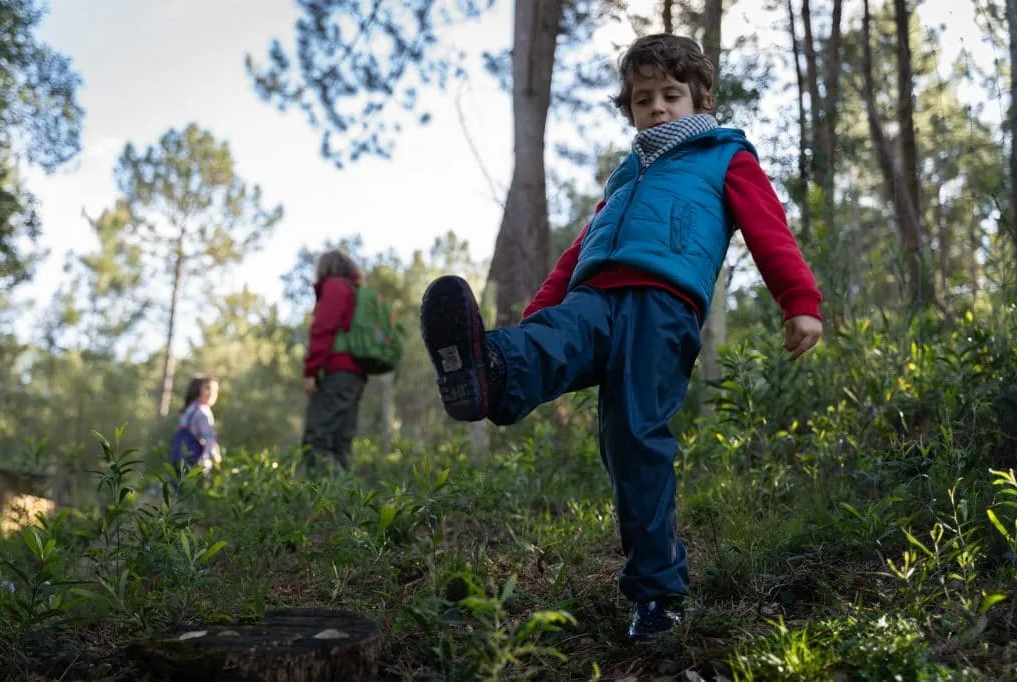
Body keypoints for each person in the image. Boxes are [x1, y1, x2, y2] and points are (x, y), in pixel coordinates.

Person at [418, 33, 824, 640]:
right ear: (629, 108)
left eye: (670, 95)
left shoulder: (725, 156)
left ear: (700, 98)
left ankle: (657, 596)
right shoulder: (624, 177)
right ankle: (488, 371)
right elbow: (577, 250)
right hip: (595, 297)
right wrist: (538, 312)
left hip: (661, 308)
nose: (656, 108)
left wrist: (799, 300)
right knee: (550, 339)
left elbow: (769, 228)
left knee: (633, 442)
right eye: (642, 99)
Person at [301, 249, 368, 472]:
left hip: (339, 371)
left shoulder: (335, 287)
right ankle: (344, 497)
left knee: (316, 434)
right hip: (356, 375)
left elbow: (323, 328)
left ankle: (313, 495)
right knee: (342, 439)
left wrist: (311, 371)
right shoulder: (355, 291)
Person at [170, 374, 222, 477]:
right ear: (197, 390)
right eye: (208, 388)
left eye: (215, 390)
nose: (212, 393)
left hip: (178, 457)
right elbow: (209, 439)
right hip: (195, 461)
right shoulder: (203, 413)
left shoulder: (189, 410)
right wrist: (216, 460)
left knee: (179, 486)